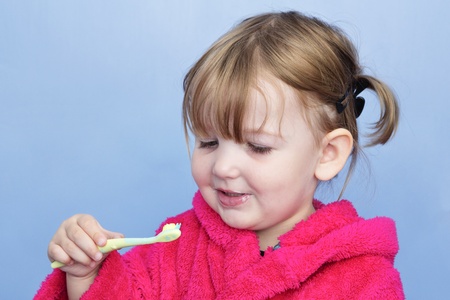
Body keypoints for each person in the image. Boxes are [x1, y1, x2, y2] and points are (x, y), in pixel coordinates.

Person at [35, 11, 404, 299]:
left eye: (258, 147)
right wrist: (84, 275)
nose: (223, 167)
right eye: (208, 143)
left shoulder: (363, 278)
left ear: (327, 154)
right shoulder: (175, 249)